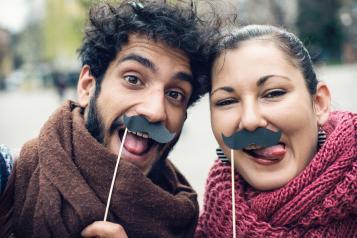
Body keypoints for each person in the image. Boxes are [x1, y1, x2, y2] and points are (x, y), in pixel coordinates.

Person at [0, 1, 217, 237]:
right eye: (133, 79)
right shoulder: (7, 176)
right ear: (87, 87)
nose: (155, 112)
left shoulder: (190, 222)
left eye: (175, 94)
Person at [196, 25, 356, 237]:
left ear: (319, 103)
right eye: (227, 101)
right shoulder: (209, 221)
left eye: (273, 93)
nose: (250, 121)